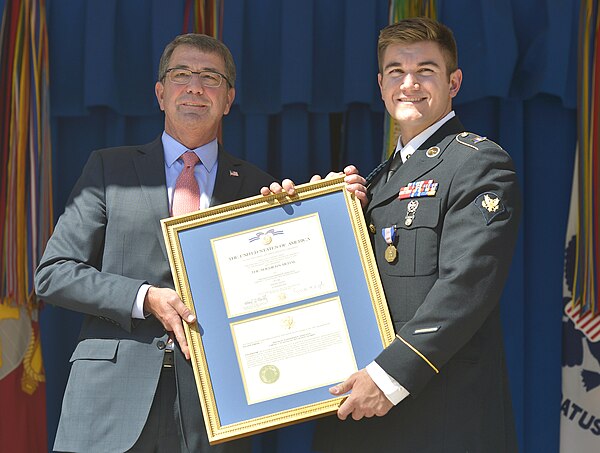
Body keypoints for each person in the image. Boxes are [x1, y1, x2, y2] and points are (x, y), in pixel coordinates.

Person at [36, 33, 276, 453]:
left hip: (212, 406)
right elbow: (53, 274)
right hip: (110, 402)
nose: (195, 87)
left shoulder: (258, 186)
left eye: (210, 78)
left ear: (228, 98)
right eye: (181, 74)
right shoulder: (110, 168)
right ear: (161, 93)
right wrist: (145, 297)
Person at [310, 17, 521, 453]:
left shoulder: (477, 163)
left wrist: (387, 376)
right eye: (395, 72)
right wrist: (312, 212)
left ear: (454, 81)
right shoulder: (376, 181)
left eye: (425, 70)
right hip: (359, 410)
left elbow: (466, 286)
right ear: (381, 85)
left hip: (438, 415)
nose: (409, 84)